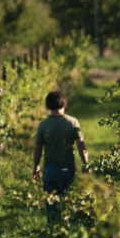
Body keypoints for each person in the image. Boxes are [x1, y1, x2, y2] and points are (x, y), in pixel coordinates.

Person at [33, 90, 88, 224]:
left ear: (48, 105)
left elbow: (38, 147)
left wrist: (36, 166)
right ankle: (69, 233)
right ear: (64, 104)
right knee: (69, 203)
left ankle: (53, 234)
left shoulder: (43, 125)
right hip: (68, 169)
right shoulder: (72, 122)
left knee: (51, 205)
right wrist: (86, 164)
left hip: (49, 170)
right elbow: (81, 144)